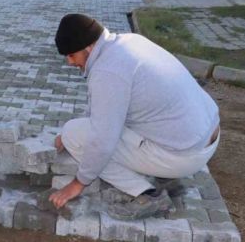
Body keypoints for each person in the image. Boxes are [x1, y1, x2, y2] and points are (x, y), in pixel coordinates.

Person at [48, 14, 220, 220]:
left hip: (184, 156)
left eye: (71, 55)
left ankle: (145, 193)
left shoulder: (108, 72)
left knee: (74, 134)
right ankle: (157, 171)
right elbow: (103, 106)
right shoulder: (128, 42)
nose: (69, 62)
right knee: (95, 127)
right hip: (206, 135)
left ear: (88, 47)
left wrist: (78, 183)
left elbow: (102, 142)